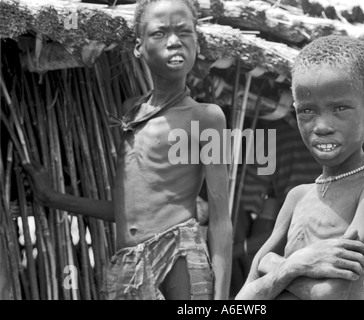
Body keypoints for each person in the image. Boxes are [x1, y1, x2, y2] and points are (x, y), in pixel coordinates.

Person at [23, 0, 232, 300]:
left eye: (184, 32)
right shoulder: (130, 112)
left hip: (178, 258)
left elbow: (221, 219)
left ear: (196, 44)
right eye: (160, 33)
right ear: (139, 47)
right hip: (127, 266)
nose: (174, 41)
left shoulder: (206, 117)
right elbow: (130, 214)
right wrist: (53, 199)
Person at [236, 35, 364, 300]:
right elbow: (244, 298)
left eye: (340, 108)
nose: (321, 126)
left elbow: (329, 294)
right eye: (307, 111)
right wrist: (299, 263)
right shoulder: (297, 197)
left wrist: (273, 266)